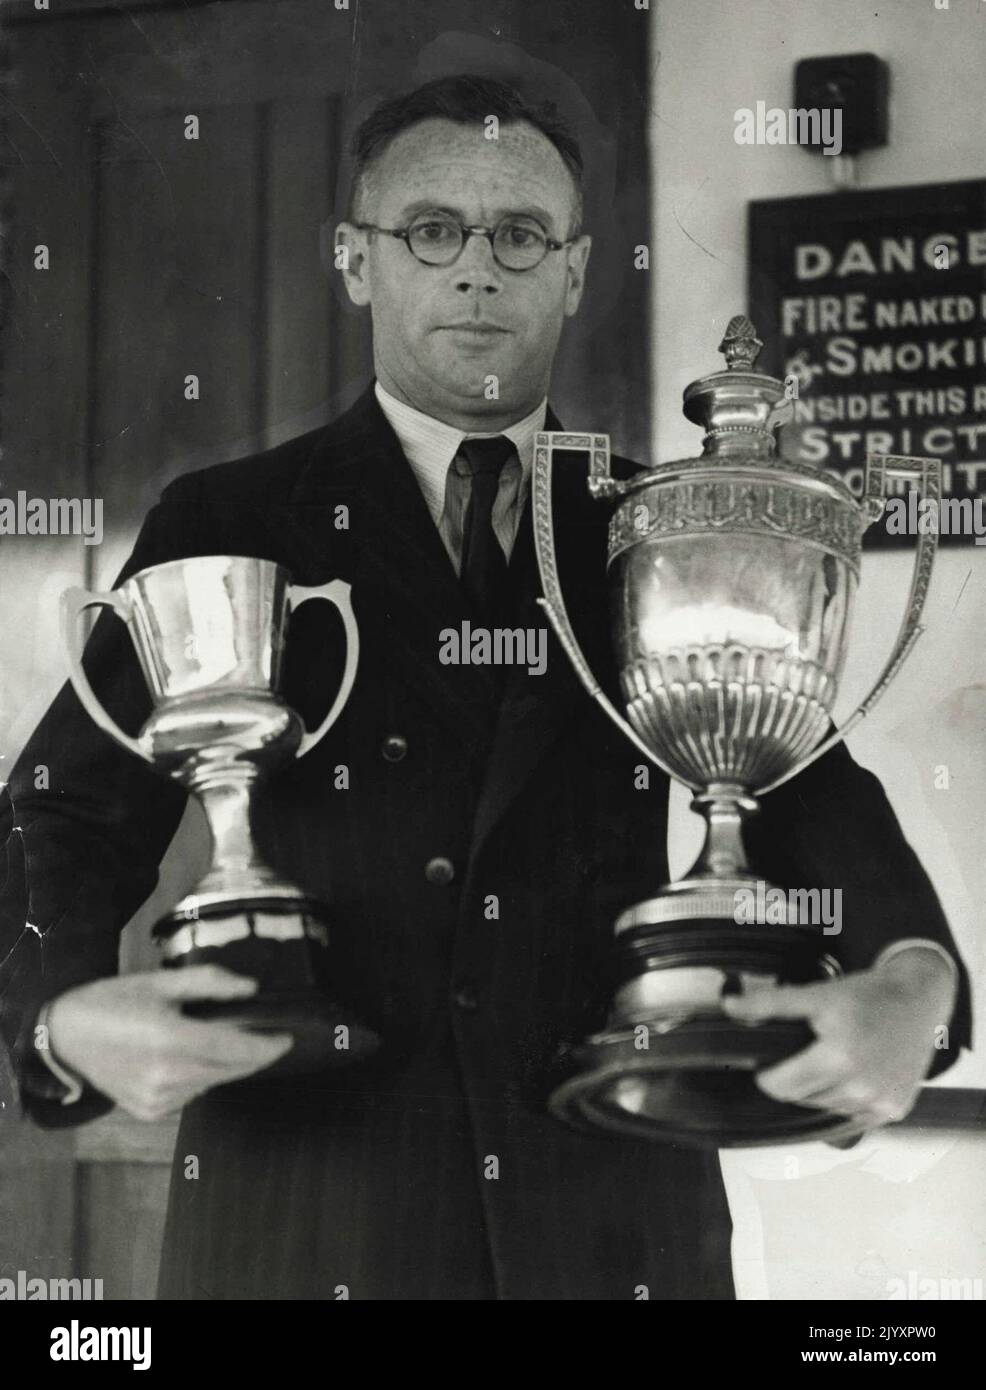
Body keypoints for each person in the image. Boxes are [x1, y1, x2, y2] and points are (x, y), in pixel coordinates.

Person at [0, 75, 970, 1300]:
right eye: (430, 230)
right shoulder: (230, 518)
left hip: (609, 1221)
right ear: (356, 262)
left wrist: (909, 982)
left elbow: (798, 781)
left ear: (571, 272)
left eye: (519, 236)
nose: (475, 270)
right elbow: (60, 814)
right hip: (309, 1219)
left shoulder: (656, 523)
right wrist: (60, 1018)